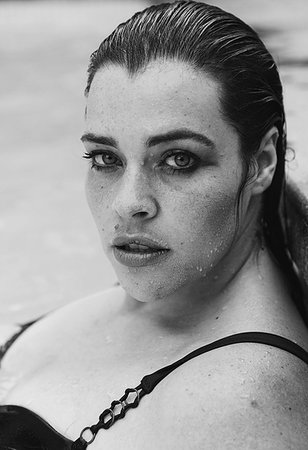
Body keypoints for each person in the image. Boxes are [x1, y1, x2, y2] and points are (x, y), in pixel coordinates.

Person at [1, 1, 308, 448]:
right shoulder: (170, 285)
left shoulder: (239, 406)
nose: (128, 204)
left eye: (179, 160)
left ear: (261, 162)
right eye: (106, 158)